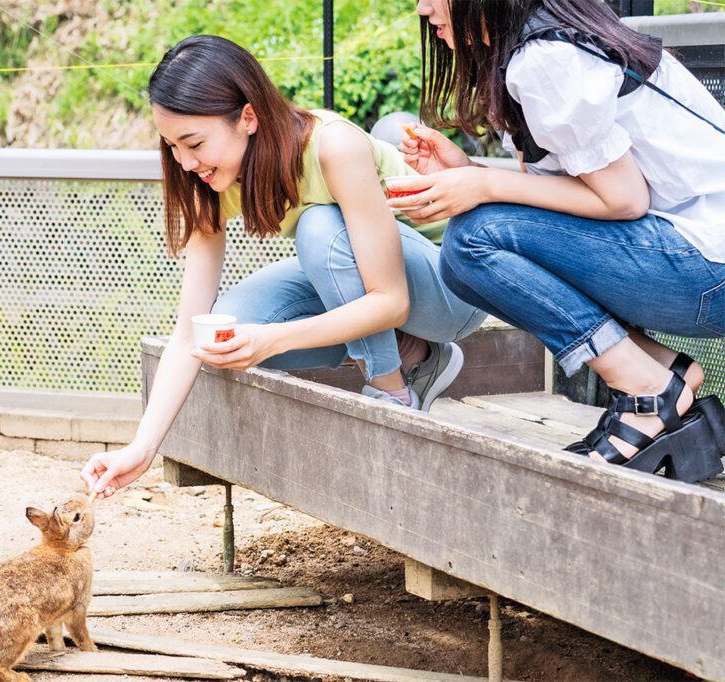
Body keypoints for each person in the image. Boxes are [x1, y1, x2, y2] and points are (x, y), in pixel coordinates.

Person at [81, 35, 486, 499]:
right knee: (226, 332)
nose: (185, 162)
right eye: (172, 146)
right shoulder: (207, 179)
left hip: (451, 288)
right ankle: (416, 355)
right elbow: (188, 334)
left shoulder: (332, 145)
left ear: (248, 118)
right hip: (374, 284)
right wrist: (141, 447)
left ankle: (393, 394)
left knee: (318, 227)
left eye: (194, 143)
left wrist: (272, 339)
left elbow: (390, 300)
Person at [390, 0, 725, 482]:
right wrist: (469, 173)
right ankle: (661, 374)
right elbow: (572, 196)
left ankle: (648, 390)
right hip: (695, 258)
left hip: (707, 265)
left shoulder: (546, 57)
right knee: (467, 249)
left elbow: (624, 200)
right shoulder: (540, 41)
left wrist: (482, 187)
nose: (423, 8)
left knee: (471, 242)